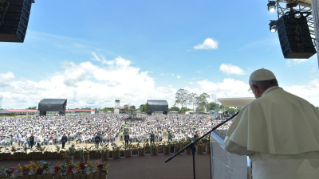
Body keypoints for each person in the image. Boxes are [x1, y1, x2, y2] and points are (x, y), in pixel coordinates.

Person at [224, 68, 319, 179]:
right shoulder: (307, 105)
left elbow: (234, 146)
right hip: (312, 172)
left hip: (272, 172)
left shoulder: (255, 106)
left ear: (254, 88)